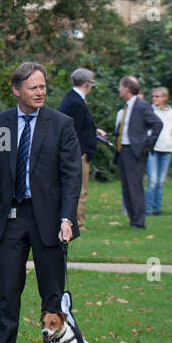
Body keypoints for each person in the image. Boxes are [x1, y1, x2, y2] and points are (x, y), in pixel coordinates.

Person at [0, 61, 81, 343]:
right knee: (7, 293)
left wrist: (67, 218)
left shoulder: (61, 124)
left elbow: (71, 176)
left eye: (42, 86)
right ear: (16, 90)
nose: (40, 92)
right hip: (11, 220)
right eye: (33, 87)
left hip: (50, 221)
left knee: (51, 294)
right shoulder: (1, 124)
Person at [57, 68, 105, 232]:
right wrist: (79, 154)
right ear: (87, 83)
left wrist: (94, 130)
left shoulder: (74, 98)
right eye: (91, 83)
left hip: (78, 152)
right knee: (80, 190)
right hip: (78, 154)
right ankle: (78, 224)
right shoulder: (76, 102)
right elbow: (73, 131)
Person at [113, 75, 163, 230]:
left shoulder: (142, 106)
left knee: (135, 187)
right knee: (126, 188)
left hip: (135, 152)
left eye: (121, 86)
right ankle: (132, 220)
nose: (119, 89)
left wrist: (146, 144)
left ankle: (139, 222)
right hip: (122, 152)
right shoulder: (125, 107)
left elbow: (157, 124)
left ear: (127, 89)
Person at [146, 87, 172, 215]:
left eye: (158, 96)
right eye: (153, 96)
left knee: (160, 181)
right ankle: (147, 209)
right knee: (153, 180)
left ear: (165, 98)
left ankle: (157, 209)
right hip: (153, 149)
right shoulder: (149, 110)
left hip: (167, 150)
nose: (155, 99)